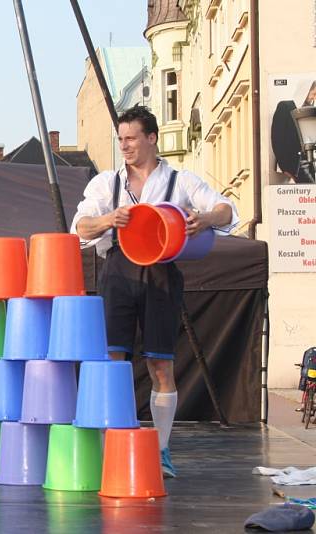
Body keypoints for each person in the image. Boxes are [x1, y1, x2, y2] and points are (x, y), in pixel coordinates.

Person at [72, 105, 238, 479]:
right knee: (112, 362)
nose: (125, 146)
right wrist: (108, 219)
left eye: (131, 138)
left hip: (162, 274)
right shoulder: (106, 183)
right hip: (118, 272)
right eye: (120, 139)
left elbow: (227, 210)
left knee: (160, 364)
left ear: (151, 138)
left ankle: (161, 451)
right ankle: (110, 446)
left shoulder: (180, 180)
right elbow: (79, 228)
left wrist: (204, 219)